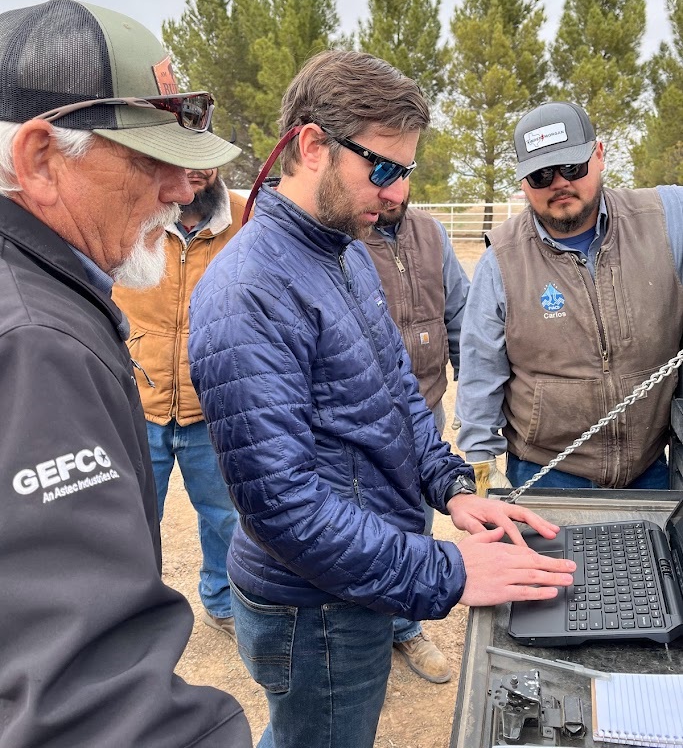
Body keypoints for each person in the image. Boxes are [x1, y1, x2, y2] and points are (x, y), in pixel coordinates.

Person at [189, 51, 574, 748]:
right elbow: (283, 504)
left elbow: (397, 397)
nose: (397, 193)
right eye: (384, 169)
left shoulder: (344, 252)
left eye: (407, 172)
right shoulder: (247, 289)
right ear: (311, 145)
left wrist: (453, 488)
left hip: (362, 578)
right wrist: (445, 569)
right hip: (315, 606)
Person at [0, 0, 251, 748]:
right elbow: (87, 707)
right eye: (152, 159)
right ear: (41, 159)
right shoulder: (36, 341)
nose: (181, 189)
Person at [457, 100, 683, 494]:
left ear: (598, 154)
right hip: (546, 473)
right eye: (541, 174)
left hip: (650, 468)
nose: (559, 183)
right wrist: (481, 463)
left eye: (572, 167)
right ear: (523, 181)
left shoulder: (666, 217)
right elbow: (480, 368)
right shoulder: (501, 260)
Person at [114, 167, 246, 640]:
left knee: (223, 514)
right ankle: (130, 613)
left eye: (203, 158)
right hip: (138, 398)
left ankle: (221, 600)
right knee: (133, 516)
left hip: (211, 402)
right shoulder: (133, 212)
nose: (193, 172)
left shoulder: (247, 217)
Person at [364, 178, 470, 683]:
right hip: (362, 421)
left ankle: (406, 627)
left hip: (425, 411)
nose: (392, 192)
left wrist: (475, 390)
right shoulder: (344, 238)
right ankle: (360, 637)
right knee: (359, 525)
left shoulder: (433, 233)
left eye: (401, 177)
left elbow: (460, 316)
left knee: (416, 521)